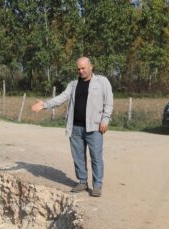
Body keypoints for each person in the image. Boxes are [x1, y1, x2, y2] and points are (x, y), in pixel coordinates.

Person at [31, 57, 113, 197]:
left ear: (91, 66)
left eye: (83, 68)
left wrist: (105, 119)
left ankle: (97, 185)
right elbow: (61, 98)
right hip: (75, 127)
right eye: (78, 69)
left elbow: (109, 102)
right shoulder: (73, 84)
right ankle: (82, 181)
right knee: (78, 157)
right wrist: (45, 104)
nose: (80, 71)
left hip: (94, 127)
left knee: (96, 157)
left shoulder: (102, 81)